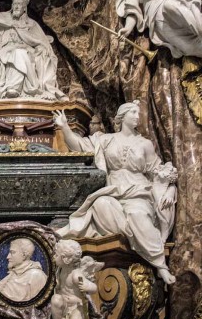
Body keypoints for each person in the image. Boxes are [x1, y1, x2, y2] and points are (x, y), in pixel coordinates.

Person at [53, 100, 177, 285]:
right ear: (122, 116)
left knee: (137, 215)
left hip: (138, 193)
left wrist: (170, 190)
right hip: (114, 192)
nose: (137, 116)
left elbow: (160, 172)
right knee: (99, 204)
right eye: (133, 112)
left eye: (138, 113)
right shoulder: (106, 139)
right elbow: (78, 146)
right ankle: (133, 237)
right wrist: (64, 128)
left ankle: (160, 265)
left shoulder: (145, 144)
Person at [51, 240, 104, 319]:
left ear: (65, 259)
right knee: (55, 299)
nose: (53, 257)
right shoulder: (59, 271)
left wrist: (86, 286)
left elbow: (94, 287)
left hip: (77, 307)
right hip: (63, 306)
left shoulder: (76, 275)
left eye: (56, 255)